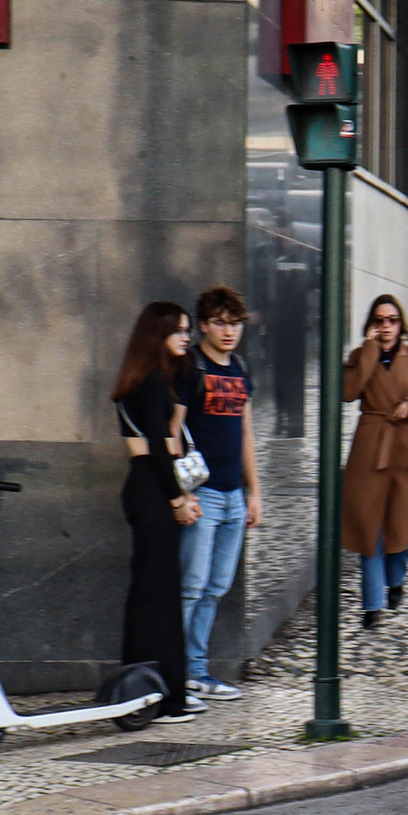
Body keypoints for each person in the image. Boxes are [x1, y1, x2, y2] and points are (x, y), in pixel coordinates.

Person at [112, 303, 202, 722]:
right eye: (178, 331)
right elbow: (159, 447)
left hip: (145, 483)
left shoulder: (143, 379)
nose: (187, 337)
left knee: (148, 593)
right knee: (160, 596)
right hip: (152, 486)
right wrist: (177, 499)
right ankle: (166, 697)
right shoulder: (149, 382)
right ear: (157, 335)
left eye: (187, 330)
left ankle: (141, 689)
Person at [342, 294, 408, 630]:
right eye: (379, 320)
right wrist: (370, 354)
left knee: (401, 525)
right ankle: (372, 606)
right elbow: (347, 392)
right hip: (368, 448)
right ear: (371, 324)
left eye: (392, 320)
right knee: (367, 527)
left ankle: (396, 579)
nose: (386, 326)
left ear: (401, 324)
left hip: (403, 447)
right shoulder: (360, 356)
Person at [178, 284, 260, 702]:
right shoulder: (191, 368)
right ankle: (175, 675)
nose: (229, 332)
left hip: (232, 494)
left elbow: (245, 432)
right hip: (203, 494)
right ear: (203, 326)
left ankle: (196, 671)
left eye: (235, 323)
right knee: (191, 586)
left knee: (215, 587)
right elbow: (172, 432)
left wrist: (255, 492)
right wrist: (182, 495)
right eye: (220, 323)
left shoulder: (240, 369)